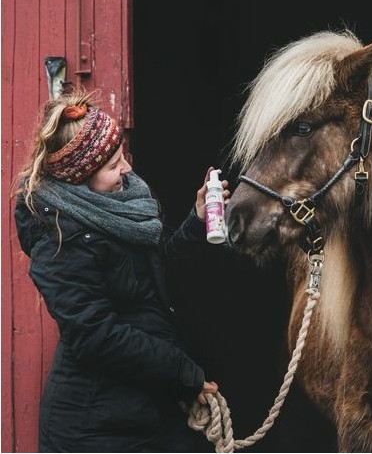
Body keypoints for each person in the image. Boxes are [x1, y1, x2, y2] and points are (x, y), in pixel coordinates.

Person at [13, 88, 229, 453]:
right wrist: (183, 372)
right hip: (95, 428)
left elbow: (157, 282)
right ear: (81, 178)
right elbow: (97, 335)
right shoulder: (58, 240)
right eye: (113, 165)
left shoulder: (122, 207)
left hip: (146, 409)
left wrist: (195, 223)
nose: (127, 168)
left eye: (121, 156)